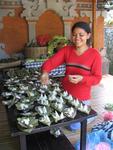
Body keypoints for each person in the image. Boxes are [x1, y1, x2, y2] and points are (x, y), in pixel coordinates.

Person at [40, 21, 102, 131]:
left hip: (82, 98)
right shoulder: (66, 50)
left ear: (88, 35)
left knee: (72, 126)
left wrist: (82, 79)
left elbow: (97, 79)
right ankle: (85, 114)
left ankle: (91, 115)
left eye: (81, 35)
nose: (77, 38)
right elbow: (50, 62)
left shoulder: (95, 55)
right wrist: (45, 72)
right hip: (65, 95)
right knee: (55, 119)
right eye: (74, 35)